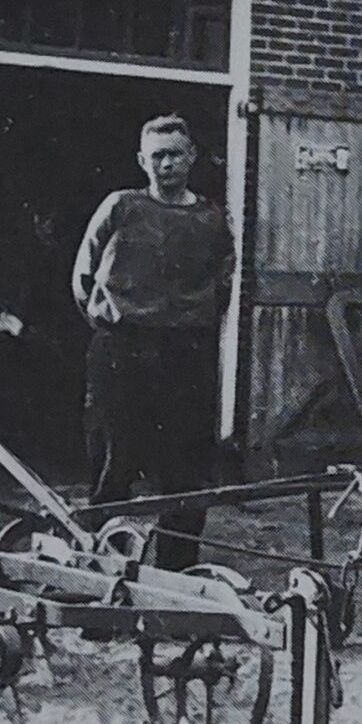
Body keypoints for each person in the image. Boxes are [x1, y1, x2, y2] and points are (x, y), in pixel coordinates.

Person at [72, 114, 235, 573]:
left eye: (175, 154)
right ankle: (103, 581)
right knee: (112, 465)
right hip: (122, 351)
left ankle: (178, 579)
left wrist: (185, 323)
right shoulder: (121, 207)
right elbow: (83, 278)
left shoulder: (212, 218)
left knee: (185, 474)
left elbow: (222, 284)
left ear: (192, 158)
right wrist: (115, 325)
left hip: (187, 356)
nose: (167, 164)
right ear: (142, 161)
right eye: (157, 156)